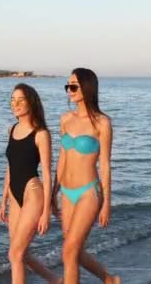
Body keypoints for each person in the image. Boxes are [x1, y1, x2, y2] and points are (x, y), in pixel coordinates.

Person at [52, 68, 120, 284]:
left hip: (88, 191)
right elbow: (61, 159)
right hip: (66, 192)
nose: (69, 91)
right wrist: (53, 192)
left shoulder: (102, 122)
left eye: (73, 86)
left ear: (87, 88)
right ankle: (109, 279)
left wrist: (107, 202)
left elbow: (106, 165)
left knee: (69, 251)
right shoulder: (65, 119)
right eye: (67, 86)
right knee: (74, 250)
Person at [0, 83, 59, 284]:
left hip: (33, 193)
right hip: (14, 195)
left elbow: (47, 175)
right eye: (12, 100)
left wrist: (46, 212)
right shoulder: (12, 129)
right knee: (20, 253)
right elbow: (10, 166)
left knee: (14, 254)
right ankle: (57, 281)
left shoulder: (41, 134)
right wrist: (4, 198)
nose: (15, 104)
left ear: (31, 103)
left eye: (20, 100)